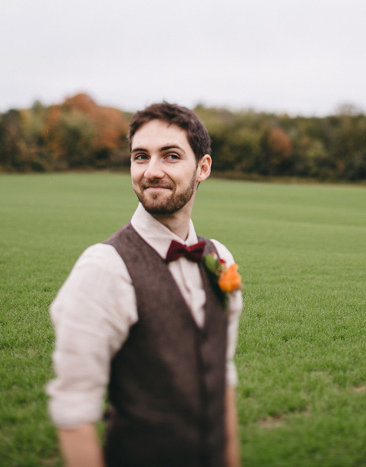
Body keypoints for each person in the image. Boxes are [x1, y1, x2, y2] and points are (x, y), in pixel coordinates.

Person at [46, 102, 243, 467]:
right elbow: (74, 410)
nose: (152, 171)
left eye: (170, 156)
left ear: (203, 168)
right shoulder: (104, 268)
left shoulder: (221, 259)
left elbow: (222, 376)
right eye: (140, 157)